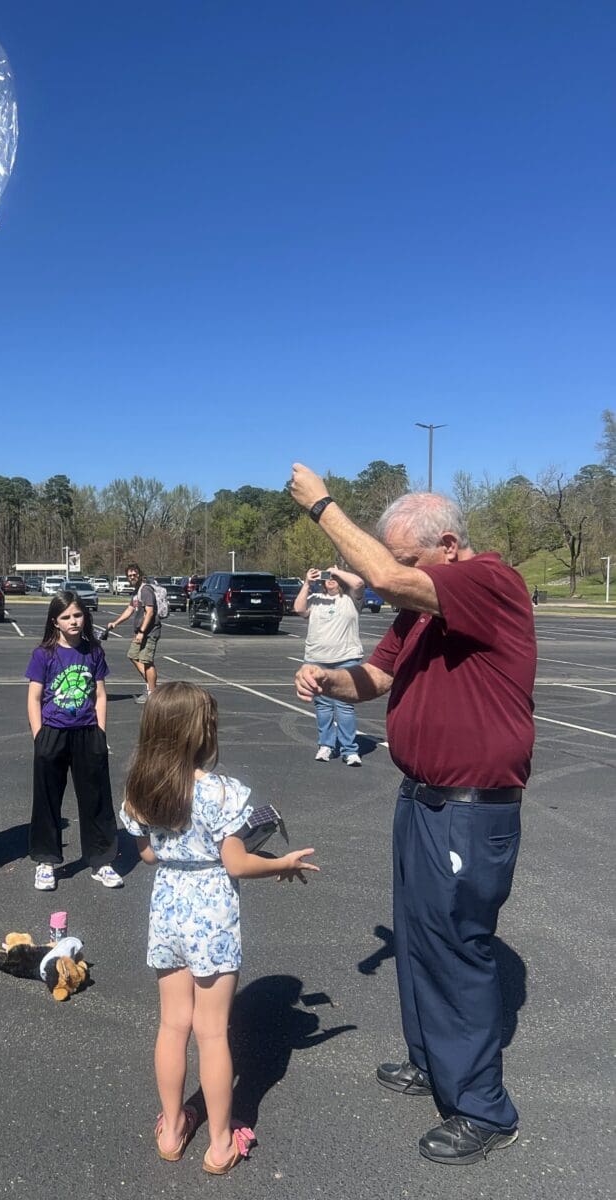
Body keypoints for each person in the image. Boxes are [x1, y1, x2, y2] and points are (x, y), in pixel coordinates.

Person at [289, 466, 536, 1166]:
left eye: (407, 559)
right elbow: (377, 677)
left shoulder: (491, 583)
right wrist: (332, 682)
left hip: (470, 811)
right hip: (420, 801)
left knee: (459, 949)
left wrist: (324, 508)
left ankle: (484, 1108)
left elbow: (387, 580)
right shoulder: (422, 612)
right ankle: (433, 1062)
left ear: (449, 545)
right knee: (420, 941)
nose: (394, 574)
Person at [119, 682, 318, 1174]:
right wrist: (279, 864)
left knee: (172, 1024)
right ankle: (221, 1143)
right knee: (211, 1032)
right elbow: (236, 864)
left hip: (167, 905)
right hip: (210, 911)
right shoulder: (222, 791)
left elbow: (147, 855)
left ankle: (170, 1129)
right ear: (200, 733)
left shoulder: (141, 791)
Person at [26, 591, 123, 891]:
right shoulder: (44, 654)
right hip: (53, 732)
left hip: (87, 732)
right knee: (48, 799)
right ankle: (46, 861)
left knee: (96, 798)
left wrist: (101, 733)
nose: (73, 621)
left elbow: (101, 696)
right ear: (55, 621)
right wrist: (40, 736)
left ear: (85, 617)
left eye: (77, 615)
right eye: (66, 616)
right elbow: (34, 698)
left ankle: (101, 860)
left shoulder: (93, 651)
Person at [293, 564, 366, 765]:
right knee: (323, 705)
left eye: (333, 577)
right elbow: (299, 609)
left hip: (346, 658)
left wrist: (337, 571)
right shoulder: (316, 599)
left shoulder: (351, 599)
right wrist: (308, 583)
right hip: (317, 659)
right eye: (327, 577)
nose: (330, 579)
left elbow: (359, 582)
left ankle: (349, 750)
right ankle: (326, 745)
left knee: (344, 706)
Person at [107, 562, 160, 704]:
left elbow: (150, 612)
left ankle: (152, 693)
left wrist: (142, 631)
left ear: (139, 574)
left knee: (147, 662)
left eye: (134, 574)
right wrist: (115, 623)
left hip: (149, 632)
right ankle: (151, 685)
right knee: (132, 655)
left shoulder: (145, 590)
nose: (132, 577)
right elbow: (129, 610)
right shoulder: (136, 592)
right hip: (140, 632)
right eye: (129, 575)